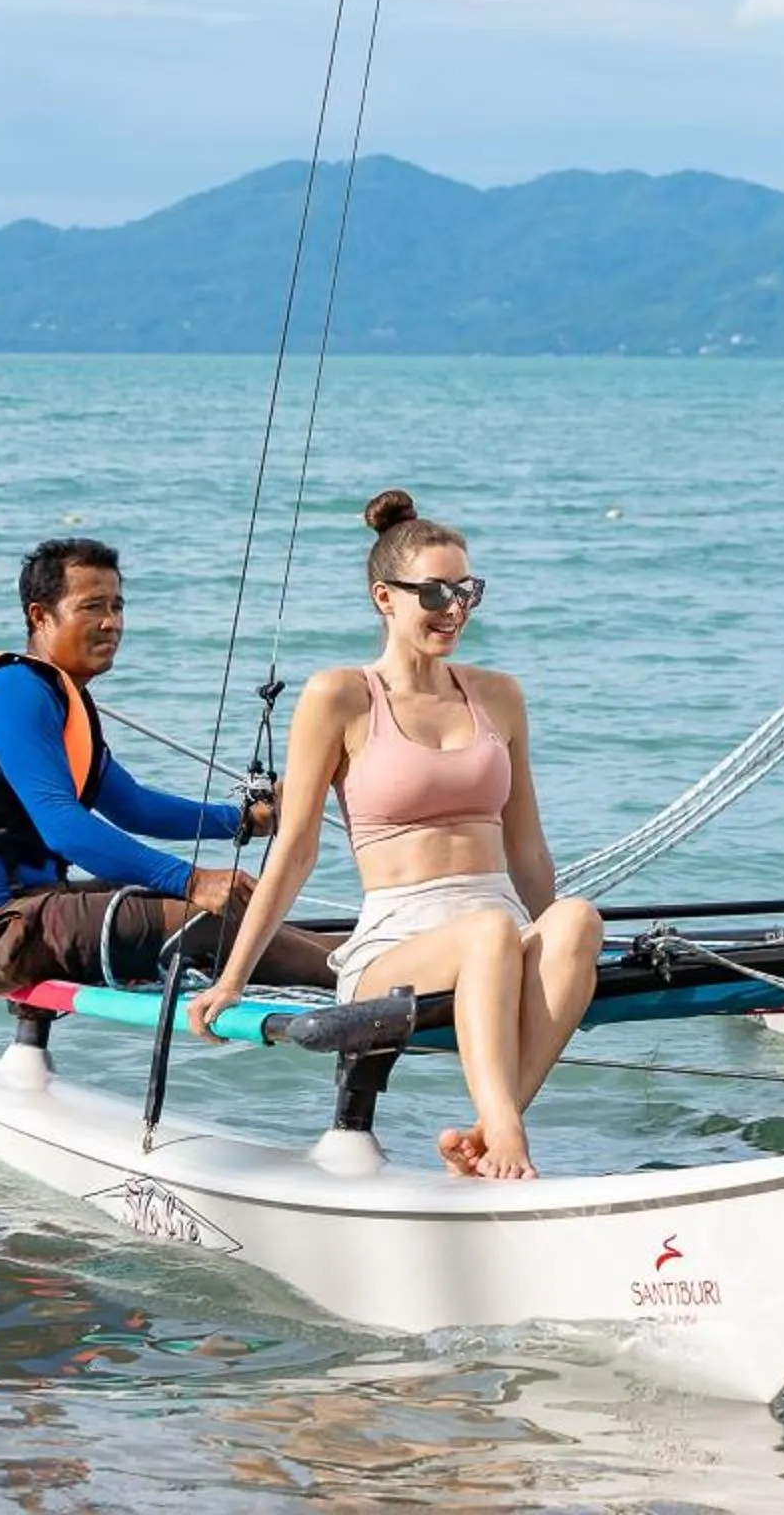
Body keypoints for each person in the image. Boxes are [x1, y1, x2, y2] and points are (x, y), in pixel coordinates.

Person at [189, 489, 604, 1182]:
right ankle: (506, 1134)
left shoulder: (498, 694)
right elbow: (294, 848)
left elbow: (526, 846)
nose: (455, 609)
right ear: (385, 597)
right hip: (396, 942)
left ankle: (486, 1132)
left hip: (496, 924)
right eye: (435, 592)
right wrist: (232, 979)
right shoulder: (340, 695)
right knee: (489, 933)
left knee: (576, 920)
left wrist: (558, 954)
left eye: (467, 590)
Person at [0, 536, 336, 1003]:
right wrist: (194, 881)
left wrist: (245, 821)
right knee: (207, 920)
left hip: (26, 914)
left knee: (226, 912)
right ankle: (360, 975)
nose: (111, 623)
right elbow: (63, 827)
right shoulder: (17, 690)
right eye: (92, 607)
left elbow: (134, 807)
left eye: (117, 605)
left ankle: (349, 958)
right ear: (40, 615)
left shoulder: (64, 702)